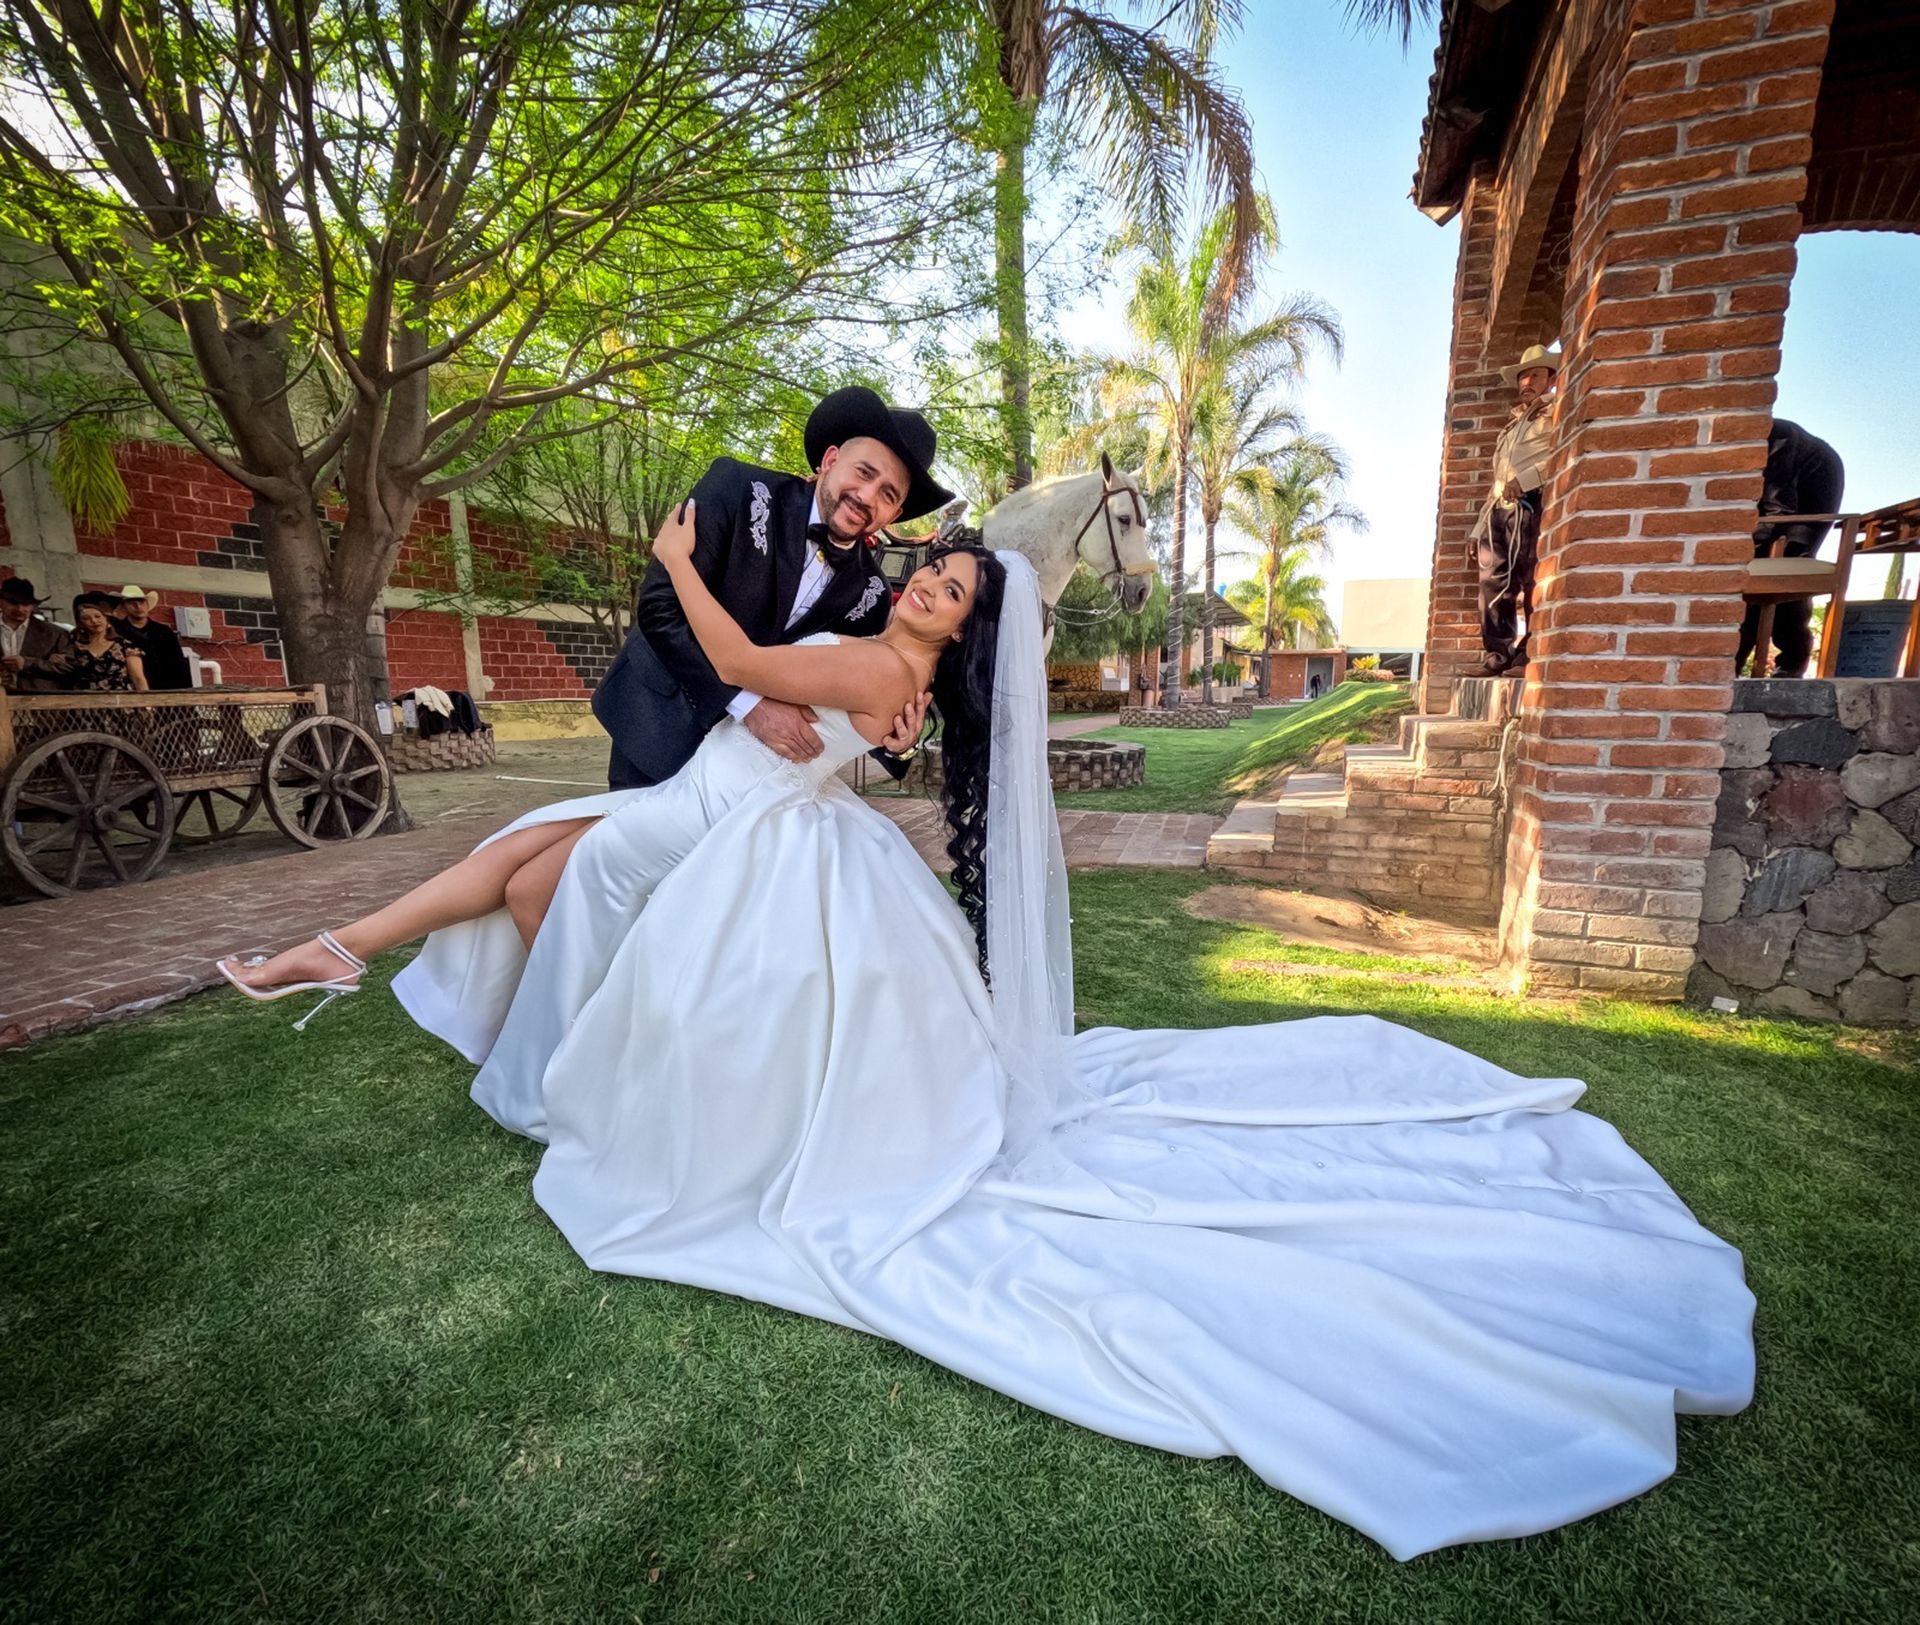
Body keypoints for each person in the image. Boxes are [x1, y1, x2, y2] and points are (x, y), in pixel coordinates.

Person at [218, 522, 1755, 1562]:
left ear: (960, 631)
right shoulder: (883, 662)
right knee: (526, 866)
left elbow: (744, 665)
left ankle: (391, 986)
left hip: (732, 840)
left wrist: (685, 567)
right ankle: (363, 968)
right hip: (713, 821)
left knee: (530, 870)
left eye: (949, 593)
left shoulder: (879, 668)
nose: (925, 590)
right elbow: (803, 703)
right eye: (931, 574)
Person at [593, 386, 952, 790]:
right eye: (864, 472)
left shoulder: (871, 594)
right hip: (659, 723)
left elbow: (853, 690)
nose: (867, 496)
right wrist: (748, 705)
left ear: (895, 513)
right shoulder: (737, 488)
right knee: (624, 831)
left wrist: (898, 744)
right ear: (830, 460)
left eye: (887, 494)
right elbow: (660, 606)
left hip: (753, 773)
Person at [1470, 342, 1560, 675]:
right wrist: (1478, 528)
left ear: (1551, 379)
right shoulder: (1510, 426)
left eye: (1535, 375)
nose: (1527, 382)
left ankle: (1527, 655)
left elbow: (1562, 452)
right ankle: (1497, 654)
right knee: (1492, 584)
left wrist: (1528, 479)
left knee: (1530, 578)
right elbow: (1498, 480)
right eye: (1523, 376)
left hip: (1530, 504)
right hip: (1498, 510)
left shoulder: (1556, 411)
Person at [1736, 418, 1845, 678]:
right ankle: (1733, 662)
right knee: (1748, 571)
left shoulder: (1777, 439)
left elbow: (1779, 510)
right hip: (1772, 495)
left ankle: (1792, 663)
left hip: (1815, 481)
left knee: (1792, 561)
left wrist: (1741, 547)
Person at [51, 593, 146, 692]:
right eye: (86, 618)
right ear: (81, 623)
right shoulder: (74, 646)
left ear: (106, 618)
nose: (94, 621)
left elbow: (138, 679)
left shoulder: (125, 645)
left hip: (119, 698)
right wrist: (55, 658)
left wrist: (145, 700)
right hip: (84, 698)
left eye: (98, 616)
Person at [111, 585, 194, 690]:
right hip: (133, 688)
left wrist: (185, 690)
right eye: (131, 603)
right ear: (123, 606)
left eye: (141, 602)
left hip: (168, 687)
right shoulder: (117, 631)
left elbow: (178, 663)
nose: (138, 606)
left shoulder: (164, 631)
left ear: (147, 605)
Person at [0, 576, 70, 692]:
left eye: (25, 604)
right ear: (1, 602)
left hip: (39, 699)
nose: (20, 609)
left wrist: (27, 664)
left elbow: (68, 669)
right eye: (13, 603)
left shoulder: (54, 634)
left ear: (32, 605)